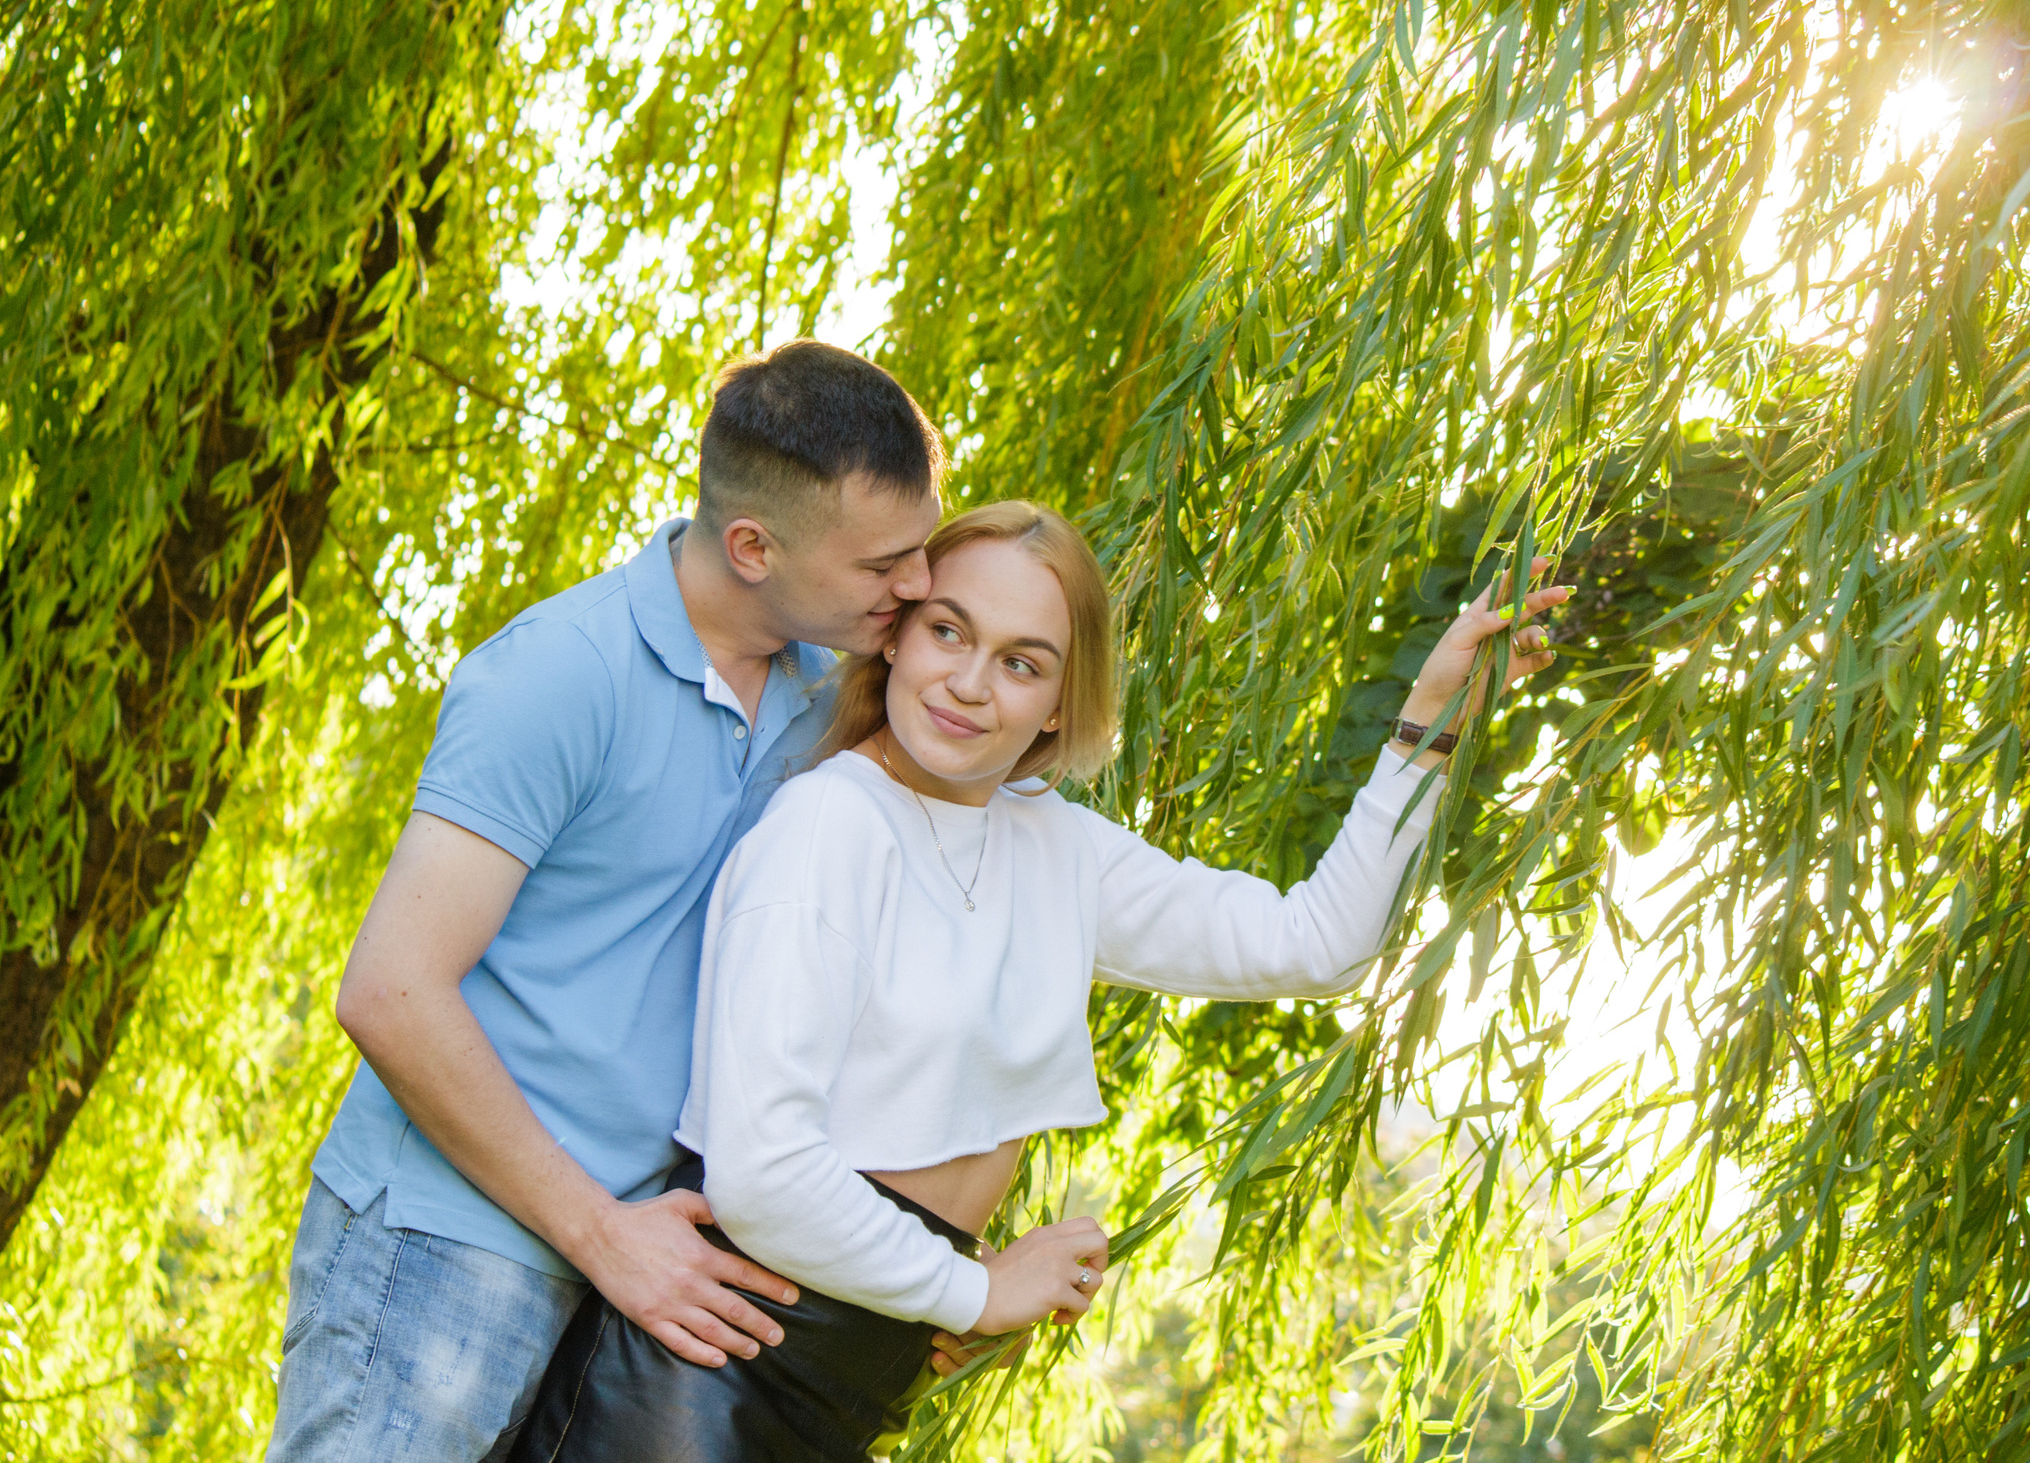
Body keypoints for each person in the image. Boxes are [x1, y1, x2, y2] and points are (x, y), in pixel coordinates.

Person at [509, 500, 1569, 1460]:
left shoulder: (1055, 849)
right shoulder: (829, 827)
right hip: (705, 1369)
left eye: (1022, 662)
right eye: (949, 631)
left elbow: (1312, 943)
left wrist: (1429, 726)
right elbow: (764, 1173)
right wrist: (975, 1290)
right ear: (897, 636)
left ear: (1063, 702)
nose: (970, 683)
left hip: (860, 1369)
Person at [267, 342, 948, 1463]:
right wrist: (603, 1235)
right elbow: (389, 991)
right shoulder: (555, 676)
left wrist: (928, 1279)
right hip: (444, 1247)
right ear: (752, 546)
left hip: (648, 1257)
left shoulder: (830, 704)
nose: (917, 586)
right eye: (885, 563)